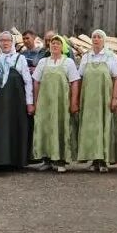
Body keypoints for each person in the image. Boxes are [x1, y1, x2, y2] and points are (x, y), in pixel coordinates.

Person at [0, 31, 34, 170]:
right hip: (0, 102)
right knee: (0, 129)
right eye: (2, 41)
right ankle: (0, 161)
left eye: (8, 41)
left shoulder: (20, 59)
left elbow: (28, 81)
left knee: (16, 128)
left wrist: (29, 102)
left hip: (17, 102)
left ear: (12, 43)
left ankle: (17, 161)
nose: (5, 43)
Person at [77, 29, 117, 173]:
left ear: (103, 40)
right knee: (90, 128)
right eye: (94, 37)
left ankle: (103, 160)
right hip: (89, 100)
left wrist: (115, 98)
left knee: (104, 126)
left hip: (105, 99)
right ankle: (93, 159)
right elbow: (80, 78)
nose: (96, 39)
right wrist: (78, 99)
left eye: (99, 37)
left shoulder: (111, 56)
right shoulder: (86, 57)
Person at [32, 35, 80, 172]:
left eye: (58, 43)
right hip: (45, 103)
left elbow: (74, 82)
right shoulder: (42, 62)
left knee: (60, 128)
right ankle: (47, 159)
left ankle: (60, 161)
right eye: (53, 43)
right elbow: (36, 82)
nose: (55, 45)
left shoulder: (68, 62)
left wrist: (74, 102)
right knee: (45, 128)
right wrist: (36, 102)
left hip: (61, 104)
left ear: (62, 47)